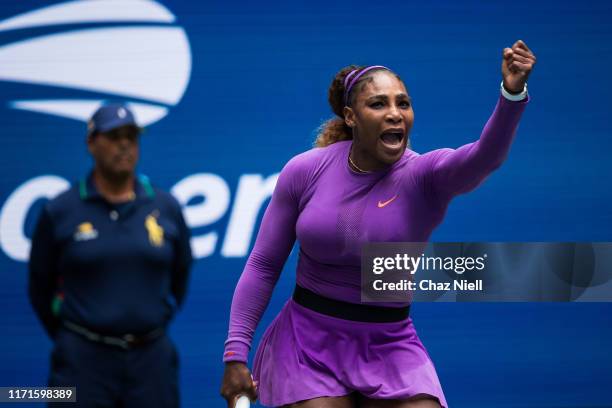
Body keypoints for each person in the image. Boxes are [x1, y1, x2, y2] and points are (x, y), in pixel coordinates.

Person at [220, 40, 536, 408]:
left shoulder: (424, 175)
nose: (395, 113)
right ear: (350, 117)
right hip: (307, 344)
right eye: (378, 103)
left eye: (403, 103)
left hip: (390, 344)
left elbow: (485, 157)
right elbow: (263, 265)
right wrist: (235, 353)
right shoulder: (305, 170)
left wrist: (511, 95)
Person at [28, 103, 193, 407]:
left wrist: (151, 319)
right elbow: (40, 286)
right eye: (113, 136)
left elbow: (180, 274)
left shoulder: (165, 207)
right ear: (91, 143)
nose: (124, 144)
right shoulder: (60, 211)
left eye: (131, 136)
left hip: (151, 359)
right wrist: (74, 335)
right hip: (81, 362)